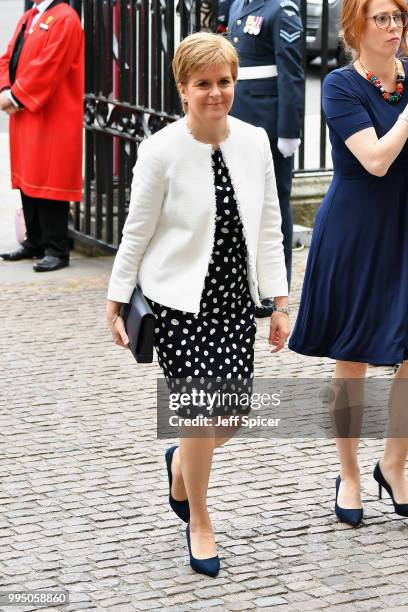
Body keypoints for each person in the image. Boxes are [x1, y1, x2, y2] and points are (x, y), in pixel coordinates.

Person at [106, 32, 290, 576]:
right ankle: (201, 520)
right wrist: (116, 302)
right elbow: (136, 231)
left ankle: (182, 464)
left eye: (224, 82)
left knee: (230, 413)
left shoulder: (254, 141)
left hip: (234, 301)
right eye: (202, 84)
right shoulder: (161, 150)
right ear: (182, 89)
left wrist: (279, 302)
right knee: (199, 409)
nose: (215, 93)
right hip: (179, 303)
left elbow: (271, 227)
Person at [289, 0, 408, 526]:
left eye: (400, 17)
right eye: (381, 18)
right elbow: (377, 159)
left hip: (405, 228)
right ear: (355, 26)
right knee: (353, 356)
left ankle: (394, 463)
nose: (393, 28)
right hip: (356, 232)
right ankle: (351, 473)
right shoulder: (340, 86)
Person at [225, 0, 305, 304]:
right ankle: (246, 279)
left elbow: (291, 72)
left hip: (268, 123)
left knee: (273, 203)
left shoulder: (280, 9)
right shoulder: (238, 6)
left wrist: (288, 130)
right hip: (239, 118)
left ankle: (274, 286)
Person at [0, 0, 84, 272]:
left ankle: (57, 250)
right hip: (26, 112)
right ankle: (34, 241)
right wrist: (4, 89)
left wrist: (16, 94)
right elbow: (8, 55)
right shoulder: (29, 17)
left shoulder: (66, 18)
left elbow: (51, 65)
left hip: (51, 112)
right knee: (29, 177)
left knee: (50, 178)